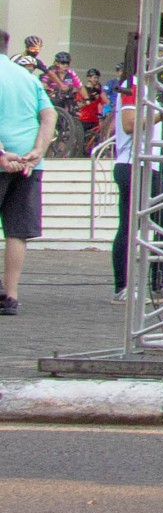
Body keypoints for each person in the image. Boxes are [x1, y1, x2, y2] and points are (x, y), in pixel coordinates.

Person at [0, 53, 57, 316]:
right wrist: (38, 150)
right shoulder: (27, 77)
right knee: (17, 231)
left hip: (5, 159)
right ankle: (10, 296)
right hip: (29, 163)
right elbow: (49, 115)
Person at [111, 77, 163, 301]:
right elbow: (129, 123)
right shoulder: (133, 84)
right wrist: (162, 114)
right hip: (133, 163)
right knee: (129, 225)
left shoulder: (152, 86)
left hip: (149, 164)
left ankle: (157, 281)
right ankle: (123, 286)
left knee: (162, 222)